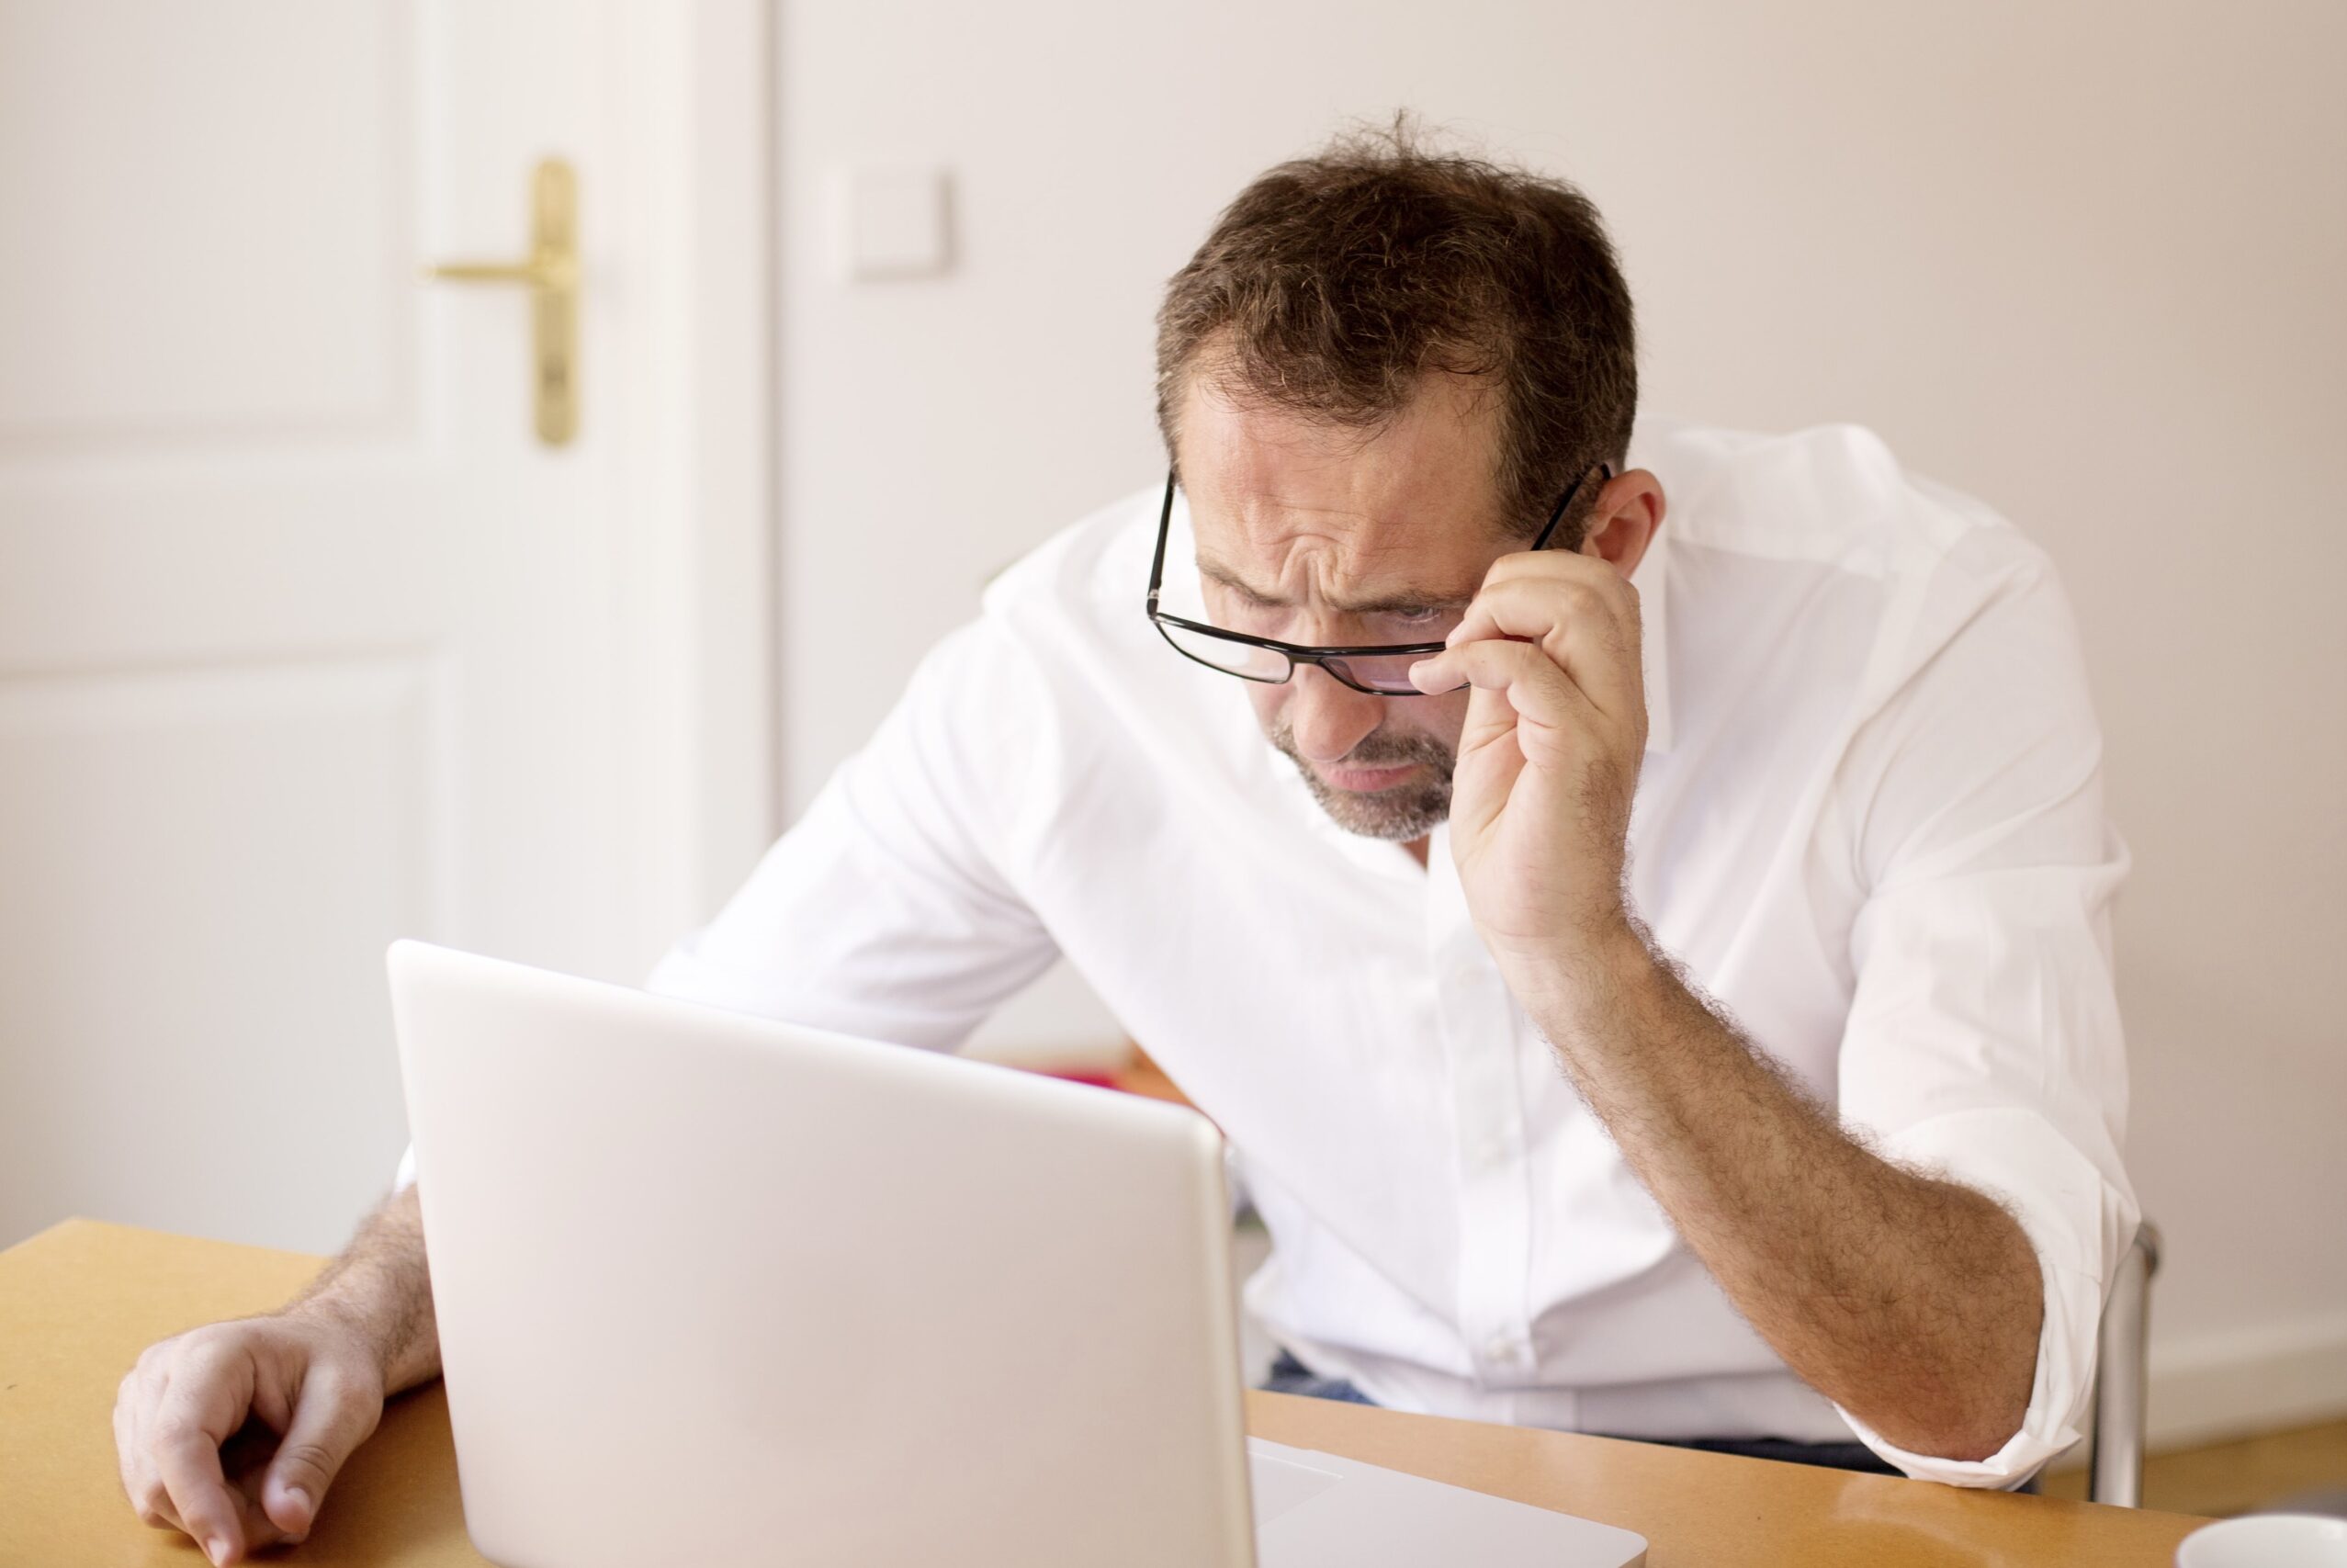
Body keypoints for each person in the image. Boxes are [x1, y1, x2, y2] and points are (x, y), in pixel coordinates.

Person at [114, 124, 2136, 1564]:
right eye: (1244, 603)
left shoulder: (1916, 625)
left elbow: (1977, 1388)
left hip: (1812, 1477)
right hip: (1331, 1460)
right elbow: (670, 1074)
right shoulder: (1070, 655)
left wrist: (1575, 947)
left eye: (1393, 631)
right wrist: (341, 1320)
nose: (1303, 711)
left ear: (1603, 539)